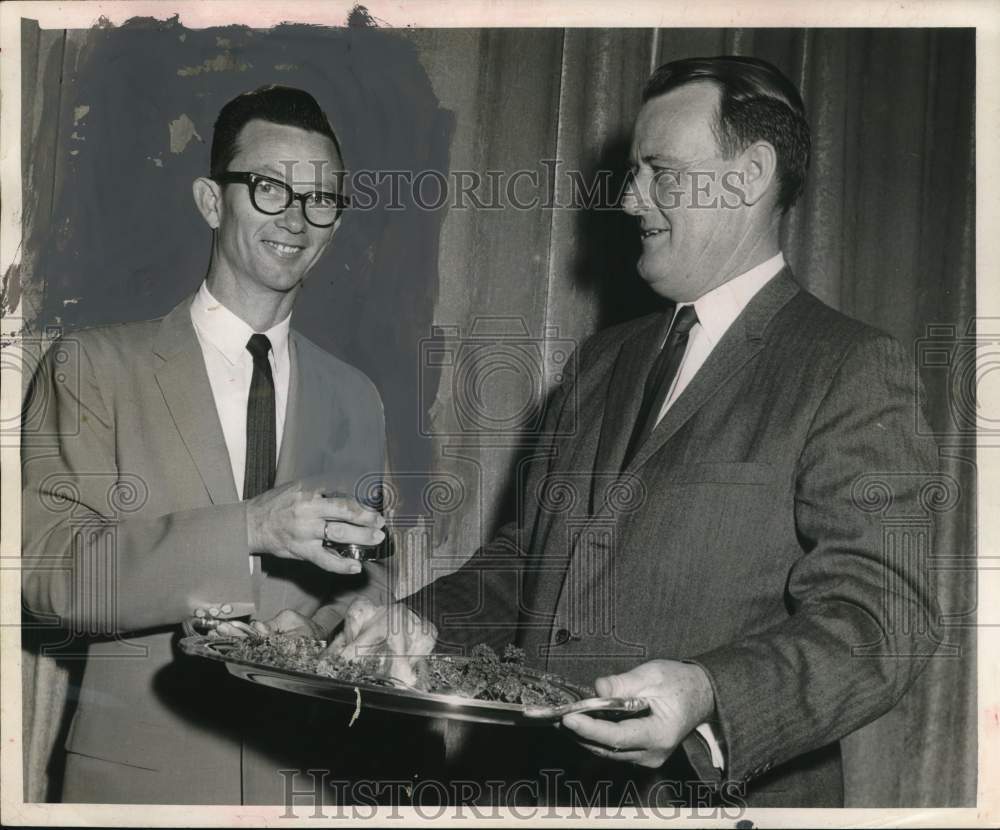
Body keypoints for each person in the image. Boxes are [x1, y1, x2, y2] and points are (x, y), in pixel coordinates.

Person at [330, 56, 943, 808]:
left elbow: (882, 621)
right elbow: (528, 565)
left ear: (750, 176)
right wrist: (416, 619)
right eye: (630, 172)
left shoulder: (850, 369)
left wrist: (710, 693)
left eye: (658, 170)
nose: (628, 199)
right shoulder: (601, 361)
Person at [21, 85, 394, 804]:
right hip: (141, 790)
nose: (296, 217)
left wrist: (329, 624)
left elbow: (371, 564)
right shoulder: (91, 366)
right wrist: (250, 528)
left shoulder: (356, 395)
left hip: (308, 785)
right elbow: (47, 573)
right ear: (211, 201)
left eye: (321, 198)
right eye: (267, 187)